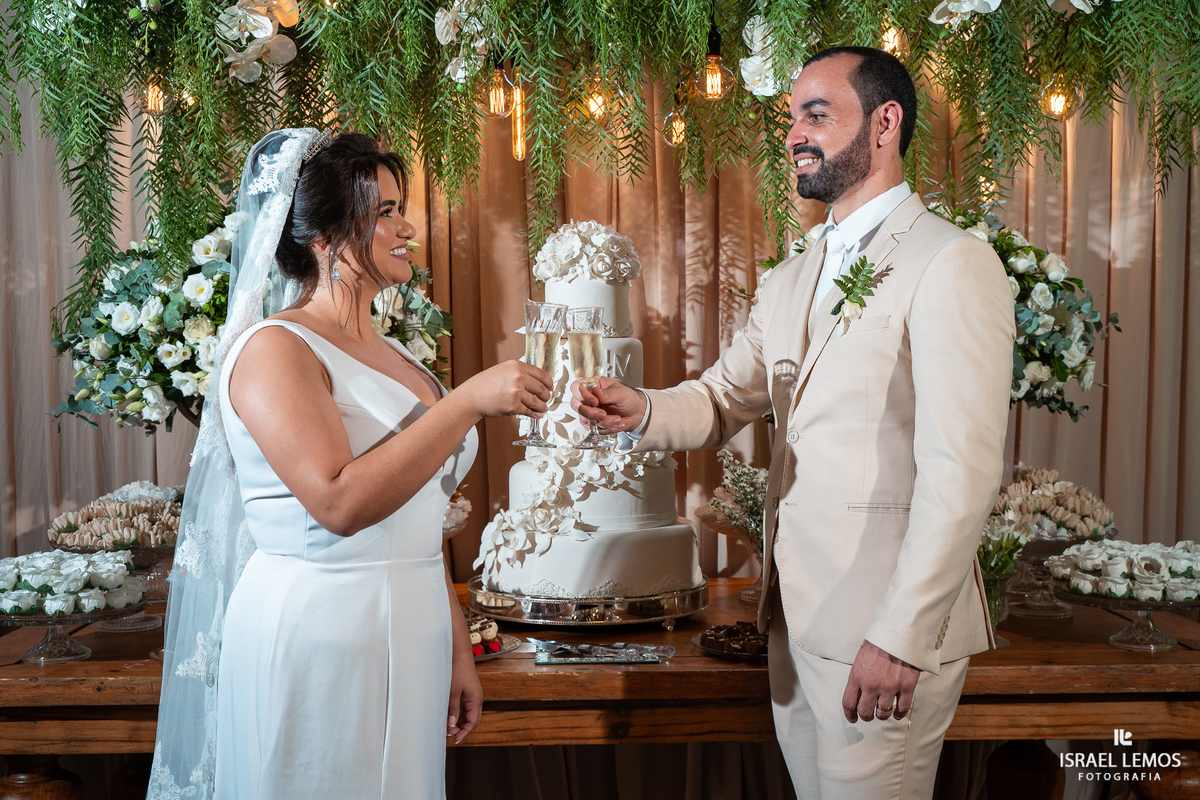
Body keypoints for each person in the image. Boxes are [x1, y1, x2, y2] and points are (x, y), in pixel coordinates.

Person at [571, 48, 1014, 799]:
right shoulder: (793, 275)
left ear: (885, 124)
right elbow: (718, 398)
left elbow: (961, 474)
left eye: (817, 115)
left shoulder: (953, 263)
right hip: (794, 620)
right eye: (791, 119)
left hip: (881, 629)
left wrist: (901, 635)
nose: (794, 136)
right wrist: (640, 408)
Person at [148, 130, 553, 800]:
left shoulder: (399, 357)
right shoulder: (276, 350)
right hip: (320, 633)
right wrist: (473, 399)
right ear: (325, 238)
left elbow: (422, 516)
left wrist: (455, 649)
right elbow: (337, 504)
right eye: (386, 212)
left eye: (401, 209)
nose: (407, 227)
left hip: (412, 626)